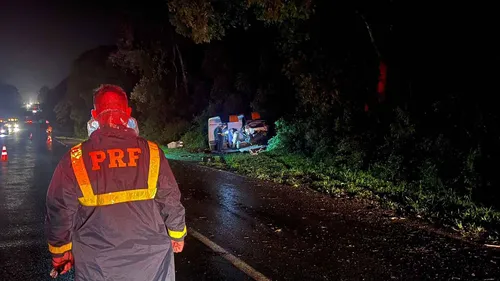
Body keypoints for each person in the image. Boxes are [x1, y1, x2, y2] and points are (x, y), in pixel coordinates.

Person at [45, 84, 186, 281]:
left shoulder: (75, 158)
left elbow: (59, 209)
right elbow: (170, 198)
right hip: (151, 265)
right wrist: (177, 234)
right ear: (128, 113)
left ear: (94, 114)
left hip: (97, 267)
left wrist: (61, 251)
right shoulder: (152, 152)